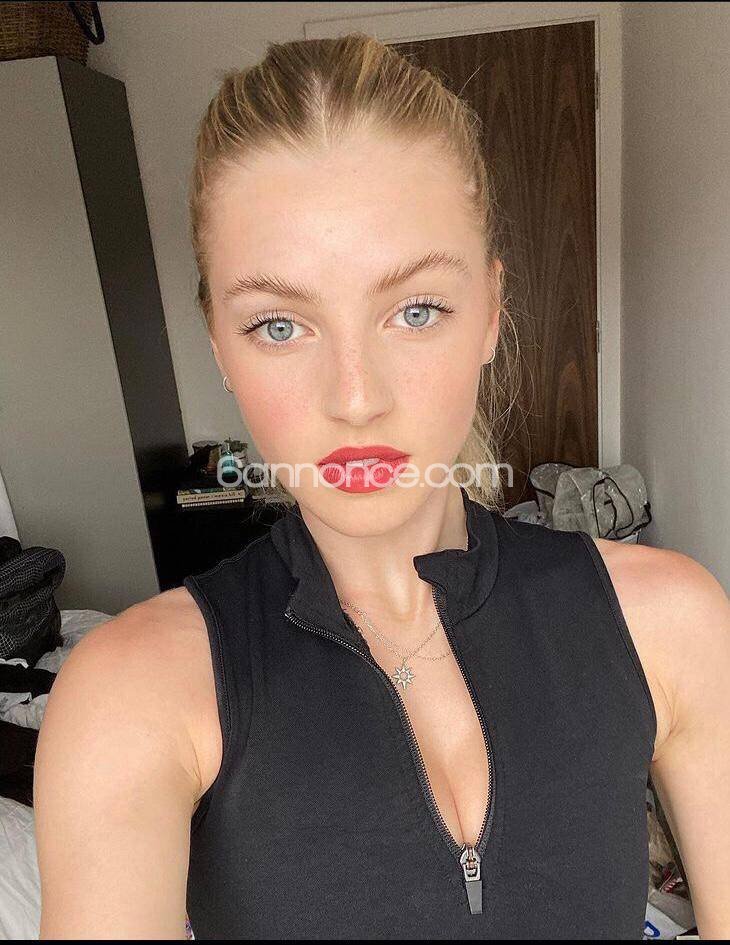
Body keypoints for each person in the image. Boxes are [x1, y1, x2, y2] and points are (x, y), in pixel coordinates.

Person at [34, 33, 729, 939]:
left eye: (415, 309)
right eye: (278, 324)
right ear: (218, 345)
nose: (355, 397)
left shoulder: (670, 621)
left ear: (491, 311)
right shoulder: (130, 695)